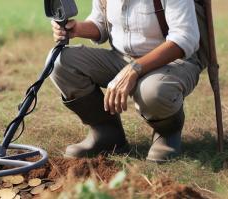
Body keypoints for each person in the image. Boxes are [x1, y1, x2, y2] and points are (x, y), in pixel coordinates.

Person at [49, 0, 203, 162]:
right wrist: (78, 29)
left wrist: (135, 68)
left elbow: (184, 38)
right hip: (121, 58)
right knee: (60, 62)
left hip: (172, 62)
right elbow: (100, 23)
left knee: (153, 91)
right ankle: (107, 134)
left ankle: (167, 133)